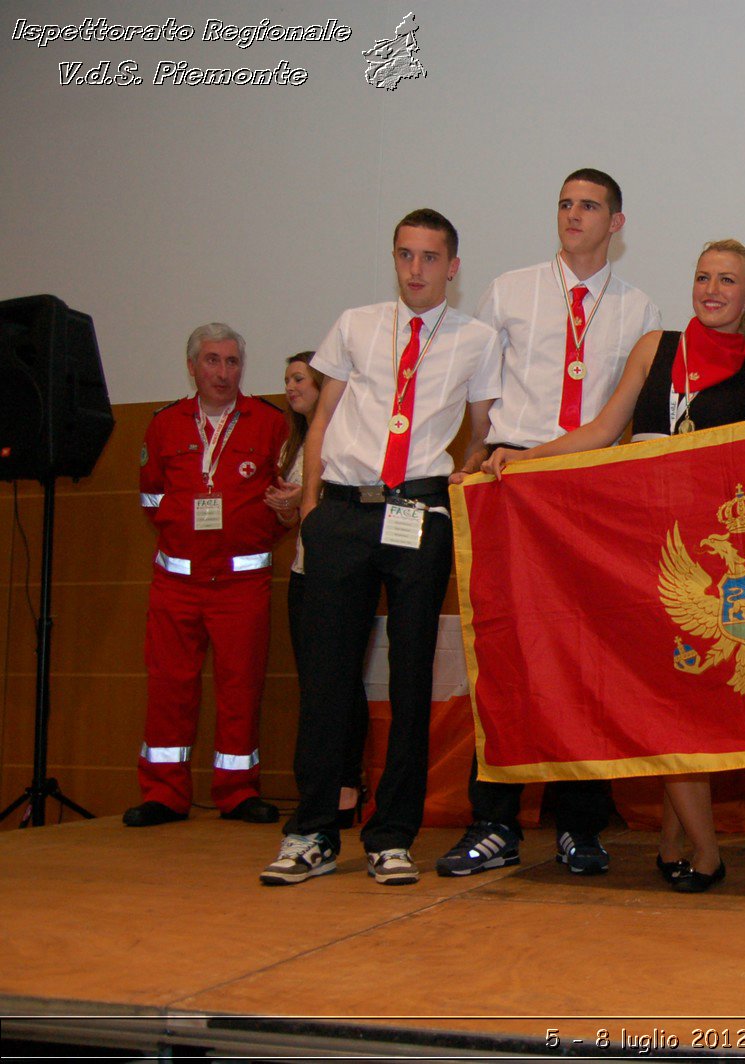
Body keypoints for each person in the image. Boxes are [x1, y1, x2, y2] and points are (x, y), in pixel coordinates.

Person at [485, 239, 745, 892]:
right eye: (703, 277)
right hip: (642, 542)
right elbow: (603, 429)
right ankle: (700, 848)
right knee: (668, 692)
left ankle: (684, 843)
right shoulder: (654, 347)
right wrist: (525, 458)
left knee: (689, 697)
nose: (712, 289)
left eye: (729, 281)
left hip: (706, 550)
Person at [260, 208, 501, 886]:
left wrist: (471, 464)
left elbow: (483, 428)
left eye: (430, 258)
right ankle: (310, 831)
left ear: (452, 267)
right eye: (405, 255)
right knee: (328, 679)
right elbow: (323, 417)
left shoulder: (477, 339)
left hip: (418, 510)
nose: (416, 269)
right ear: (394, 259)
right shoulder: (356, 324)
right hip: (343, 510)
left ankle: (392, 835)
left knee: (411, 677)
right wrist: (310, 508)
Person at [435, 169, 662, 880]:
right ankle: (494, 822)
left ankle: (579, 826)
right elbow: (484, 393)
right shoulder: (510, 288)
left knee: (584, 659)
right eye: (564, 204)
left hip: (587, 492)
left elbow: (618, 418)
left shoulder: (639, 309)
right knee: (505, 654)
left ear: (616, 224)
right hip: (511, 484)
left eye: (589, 206)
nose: (573, 215)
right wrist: (483, 450)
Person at [125, 323, 289, 828]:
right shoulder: (165, 424)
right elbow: (151, 497)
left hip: (241, 585)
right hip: (177, 584)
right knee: (169, 688)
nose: (223, 371)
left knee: (241, 688)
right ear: (192, 365)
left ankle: (237, 791)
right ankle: (164, 793)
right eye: (213, 361)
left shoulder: (269, 422)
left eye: (232, 361)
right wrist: (185, 538)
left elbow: (286, 497)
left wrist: (252, 530)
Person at [266, 352, 370, 828]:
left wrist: (313, 499)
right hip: (304, 573)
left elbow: (354, 498)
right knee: (314, 683)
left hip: (341, 573)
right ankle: (319, 789)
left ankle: (347, 785)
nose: (290, 387)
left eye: (299, 378)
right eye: (286, 379)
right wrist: (287, 507)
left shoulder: (342, 435)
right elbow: (295, 520)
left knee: (342, 681)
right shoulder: (293, 445)